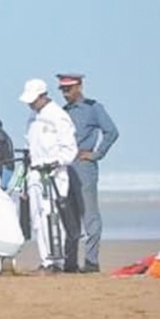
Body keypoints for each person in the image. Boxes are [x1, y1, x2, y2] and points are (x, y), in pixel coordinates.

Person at [57, 73, 119, 273]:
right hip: (65, 166)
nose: (65, 93)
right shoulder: (62, 112)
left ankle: (91, 261)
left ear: (79, 87)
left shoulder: (93, 108)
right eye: (63, 89)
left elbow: (111, 131)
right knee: (69, 214)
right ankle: (70, 261)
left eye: (69, 89)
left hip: (84, 166)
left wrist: (96, 154)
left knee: (89, 214)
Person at [19, 79, 79, 275]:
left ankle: (57, 260)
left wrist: (55, 162)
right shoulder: (32, 117)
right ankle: (45, 260)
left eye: (33, 99)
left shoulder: (58, 116)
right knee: (37, 218)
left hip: (54, 174)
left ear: (43, 96)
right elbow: (31, 145)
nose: (30, 104)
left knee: (52, 215)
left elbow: (70, 150)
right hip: (35, 172)